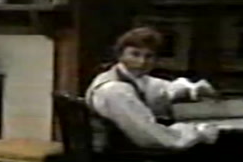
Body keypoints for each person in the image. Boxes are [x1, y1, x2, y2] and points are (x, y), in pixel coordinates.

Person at [85, 26, 220, 152]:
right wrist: (197, 133)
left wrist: (192, 90)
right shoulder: (115, 90)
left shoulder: (135, 78)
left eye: (149, 56)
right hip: (120, 154)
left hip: (129, 148)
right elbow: (149, 137)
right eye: (135, 54)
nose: (142, 62)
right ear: (120, 55)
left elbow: (162, 89)